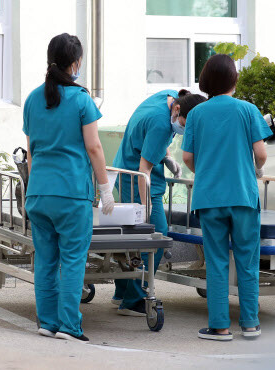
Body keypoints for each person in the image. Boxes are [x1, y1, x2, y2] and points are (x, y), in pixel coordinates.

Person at [23, 33, 114, 344]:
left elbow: (31, 151)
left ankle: (47, 323)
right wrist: (105, 189)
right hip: (71, 193)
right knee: (73, 260)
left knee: (46, 261)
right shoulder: (81, 99)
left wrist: (36, 186)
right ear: (76, 63)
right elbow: (95, 148)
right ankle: (69, 327)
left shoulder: (33, 99)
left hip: (38, 193)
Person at [182, 54, 271, 341]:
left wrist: (206, 170)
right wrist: (251, 169)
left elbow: (187, 157)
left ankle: (219, 327)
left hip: (209, 197)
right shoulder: (248, 110)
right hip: (243, 195)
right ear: (234, 79)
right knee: (247, 259)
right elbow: (261, 155)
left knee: (217, 261)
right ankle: (250, 324)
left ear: (206, 80)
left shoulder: (196, 114)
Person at [112, 89, 206, 316]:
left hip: (126, 172)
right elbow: (144, 170)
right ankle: (133, 299)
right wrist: (146, 206)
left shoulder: (169, 96)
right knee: (154, 237)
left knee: (132, 237)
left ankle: (122, 293)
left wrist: (167, 156)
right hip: (137, 181)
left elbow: (150, 139)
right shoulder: (162, 125)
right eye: (186, 124)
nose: (185, 130)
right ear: (176, 110)